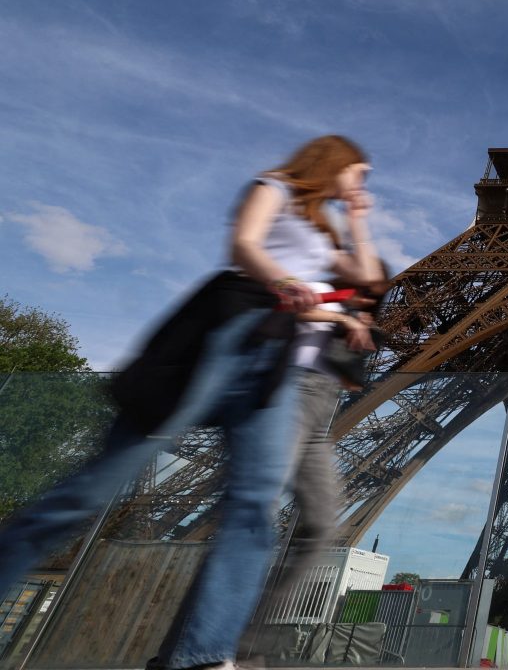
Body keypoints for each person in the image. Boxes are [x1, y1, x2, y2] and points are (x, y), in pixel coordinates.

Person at [0, 135, 382, 670]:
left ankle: (202, 656)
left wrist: (359, 221)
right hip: (223, 341)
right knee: (90, 494)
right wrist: (285, 281)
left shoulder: (327, 228)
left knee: (254, 508)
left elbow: (368, 277)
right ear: (335, 162)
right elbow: (243, 247)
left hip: (275, 363)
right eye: (359, 173)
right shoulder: (274, 187)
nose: (362, 184)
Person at [239, 273, 390, 659]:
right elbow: (291, 301)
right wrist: (346, 320)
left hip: (321, 400)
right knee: (248, 514)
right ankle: (201, 646)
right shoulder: (321, 269)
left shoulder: (359, 281)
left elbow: (370, 276)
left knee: (322, 526)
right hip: (289, 389)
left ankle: (244, 641)